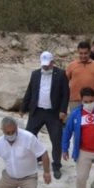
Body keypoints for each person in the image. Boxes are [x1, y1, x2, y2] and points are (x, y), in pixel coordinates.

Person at [22, 51, 69, 179]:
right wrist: (23, 107)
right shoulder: (35, 74)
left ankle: (57, 165)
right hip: (37, 111)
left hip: (53, 113)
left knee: (56, 139)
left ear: (52, 62)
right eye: (43, 65)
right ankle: (33, 159)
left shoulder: (61, 74)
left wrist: (63, 110)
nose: (45, 67)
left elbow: (65, 94)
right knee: (29, 136)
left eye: (47, 65)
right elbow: (30, 91)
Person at [65, 41, 94, 112]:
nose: (83, 56)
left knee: (91, 122)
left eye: (85, 53)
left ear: (89, 52)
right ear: (78, 52)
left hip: (91, 101)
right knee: (77, 122)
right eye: (81, 53)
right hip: (75, 101)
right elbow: (64, 83)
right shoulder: (71, 65)